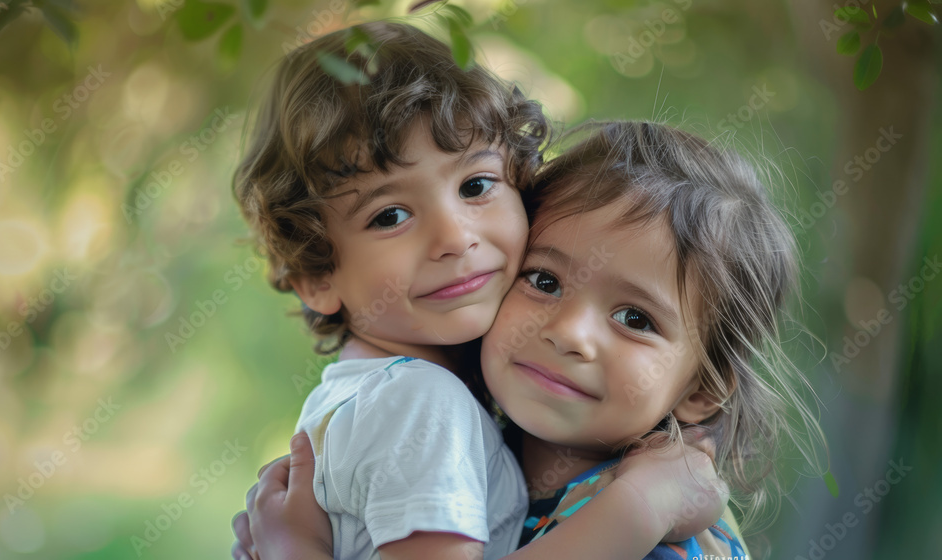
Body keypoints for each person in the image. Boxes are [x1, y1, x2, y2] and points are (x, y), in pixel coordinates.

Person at [232, 18, 727, 560]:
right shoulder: (420, 402)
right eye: (390, 215)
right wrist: (641, 505)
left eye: (475, 185)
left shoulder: (377, 397)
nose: (454, 237)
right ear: (317, 278)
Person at [233, 122, 828, 559]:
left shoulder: (665, 536)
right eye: (543, 281)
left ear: (701, 388)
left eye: (636, 319)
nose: (568, 332)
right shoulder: (464, 464)